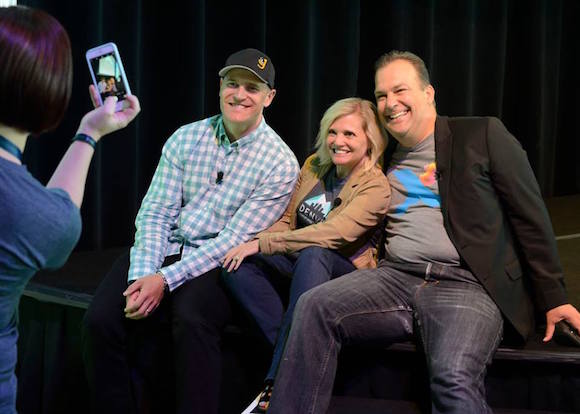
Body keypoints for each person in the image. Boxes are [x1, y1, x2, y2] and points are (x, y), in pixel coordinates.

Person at [267, 50, 580, 414]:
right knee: (314, 306)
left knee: (453, 376)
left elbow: (530, 218)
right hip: (394, 278)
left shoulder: (481, 134)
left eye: (400, 90)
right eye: (381, 95)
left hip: (466, 285)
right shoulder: (382, 155)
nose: (389, 103)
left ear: (429, 93)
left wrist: (554, 296)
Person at [82, 48, 299, 414]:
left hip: (215, 261)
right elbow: (155, 212)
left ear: (269, 97)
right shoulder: (186, 138)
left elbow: (231, 241)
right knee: (99, 321)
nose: (240, 95)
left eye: (252, 88)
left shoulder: (280, 163)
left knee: (192, 318)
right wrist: (143, 275)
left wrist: (164, 281)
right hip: (164, 248)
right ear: (220, 87)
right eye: (233, 84)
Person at [0, 5, 140, 414]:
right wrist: (91, 131)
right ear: (49, 93)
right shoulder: (41, 219)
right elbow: (57, 216)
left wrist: (89, 131)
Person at [221, 97, 390, 413]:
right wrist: (253, 240)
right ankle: (301, 359)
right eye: (333, 132)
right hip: (302, 262)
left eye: (350, 134)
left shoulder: (375, 187)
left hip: (345, 273)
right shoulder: (315, 165)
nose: (338, 142)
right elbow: (287, 219)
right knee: (237, 265)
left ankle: (274, 385)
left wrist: (266, 244)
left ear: (370, 140)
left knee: (315, 253)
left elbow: (334, 234)